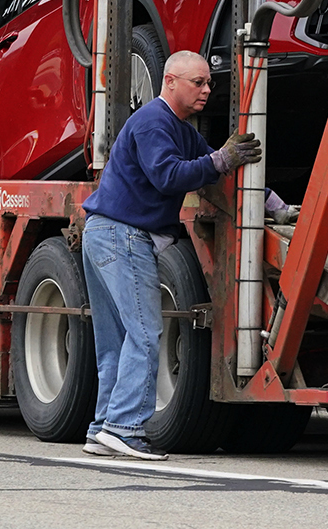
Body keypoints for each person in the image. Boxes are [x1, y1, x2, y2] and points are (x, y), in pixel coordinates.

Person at [79, 50, 260, 461]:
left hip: (106, 234)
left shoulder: (178, 128)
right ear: (171, 81)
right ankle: (124, 428)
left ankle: (102, 428)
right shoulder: (153, 122)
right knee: (144, 334)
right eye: (199, 82)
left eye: (209, 83)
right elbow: (169, 175)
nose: (207, 90)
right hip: (123, 236)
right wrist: (221, 159)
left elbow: (210, 169)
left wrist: (269, 200)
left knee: (118, 340)